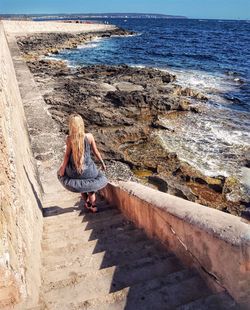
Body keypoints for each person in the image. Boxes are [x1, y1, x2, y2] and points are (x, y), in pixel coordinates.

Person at [57, 114, 108, 213]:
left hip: (74, 172)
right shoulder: (89, 137)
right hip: (89, 171)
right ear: (82, 124)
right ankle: (94, 206)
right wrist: (102, 163)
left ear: (71, 125)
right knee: (90, 189)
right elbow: (96, 152)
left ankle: (87, 203)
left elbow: (67, 156)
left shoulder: (69, 139)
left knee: (80, 185)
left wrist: (62, 169)